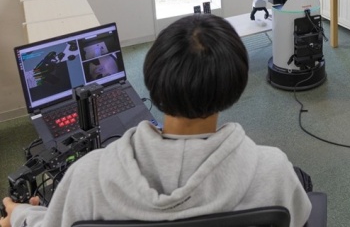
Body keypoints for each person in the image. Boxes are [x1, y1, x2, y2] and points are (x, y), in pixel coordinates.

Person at [1, 14, 312, 227]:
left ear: (152, 79)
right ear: (237, 84)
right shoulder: (274, 172)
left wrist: (20, 215)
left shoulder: (87, 177)